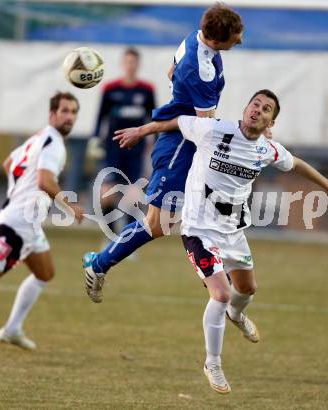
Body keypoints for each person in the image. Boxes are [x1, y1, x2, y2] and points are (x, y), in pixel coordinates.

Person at [113, 89, 328, 393]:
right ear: (246, 108)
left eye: (266, 108)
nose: (258, 110)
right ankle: (212, 363)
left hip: (233, 232)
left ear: (272, 120)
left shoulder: (266, 149)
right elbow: (177, 122)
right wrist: (142, 130)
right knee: (220, 294)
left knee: (247, 290)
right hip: (199, 231)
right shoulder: (216, 130)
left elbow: (294, 163)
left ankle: (237, 315)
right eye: (255, 104)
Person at [83, 2, 244, 303]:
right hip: (180, 145)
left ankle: (216, 271)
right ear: (215, 40)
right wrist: (240, 132)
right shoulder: (202, 71)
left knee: (189, 212)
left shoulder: (193, 37)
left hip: (189, 139)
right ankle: (99, 263)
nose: (240, 40)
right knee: (158, 223)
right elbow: (203, 127)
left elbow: (170, 73)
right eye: (235, 36)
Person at [0, 92, 84, 350]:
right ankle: (11, 328)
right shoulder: (53, 143)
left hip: (24, 223)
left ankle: (12, 329)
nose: (69, 117)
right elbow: (45, 180)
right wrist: (70, 206)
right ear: (52, 114)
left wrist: (19, 190)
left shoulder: (38, 137)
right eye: (64, 111)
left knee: (45, 273)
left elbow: (9, 163)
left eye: (73, 112)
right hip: (19, 225)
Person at [93, 47, 156, 236]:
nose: (130, 66)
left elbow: (153, 121)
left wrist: (157, 143)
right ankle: (110, 237)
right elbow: (100, 117)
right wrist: (95, 139)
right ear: (123, 64)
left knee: (133, 197)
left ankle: (128, 240)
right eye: (127, 62)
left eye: (133, 62)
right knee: (106, 195)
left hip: (136, 151)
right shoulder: (110, 90)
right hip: (112, 149)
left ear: (138, 65)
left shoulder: (146, 91)